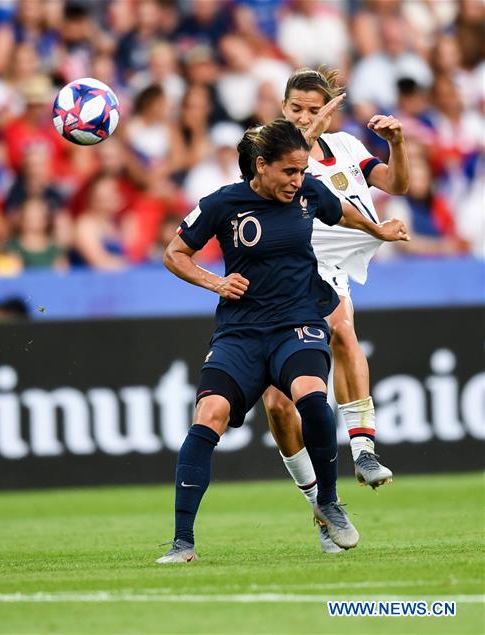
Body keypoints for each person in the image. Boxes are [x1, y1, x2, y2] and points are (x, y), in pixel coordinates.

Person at [156, 118, 408, 564]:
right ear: (261, 166)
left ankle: (329, 505)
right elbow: (175, 254)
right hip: (241, 331)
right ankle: (182, 544)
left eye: (302, 170)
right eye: (289, 171)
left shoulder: (309, 192)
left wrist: (377, 229)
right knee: (208, 414)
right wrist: (215, 282)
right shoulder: (222, 203)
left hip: (299, 321)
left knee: (310, 395)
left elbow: (341, 209)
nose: (298, 180)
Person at [266, 68, 410, 553]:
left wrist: (398, 143)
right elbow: (283, 171)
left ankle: (364, 450)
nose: (306, 117)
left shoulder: (347, 147)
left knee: (343, 330)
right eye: (297, 109)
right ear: (283, 108)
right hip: (275, 273)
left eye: (314, 108)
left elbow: (397, 184)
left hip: (326, 269)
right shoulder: (265, 147)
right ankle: (321, 506)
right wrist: (305, 131)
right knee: (278, 405)